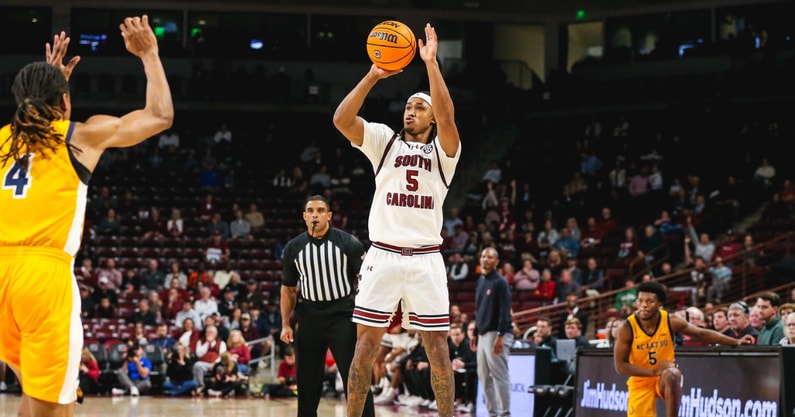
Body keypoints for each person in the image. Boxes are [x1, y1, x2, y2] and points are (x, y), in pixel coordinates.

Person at [0, 15, 172, 415]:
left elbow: (35, 122)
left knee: (31, 396)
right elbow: (159, 116)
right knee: (54, 408)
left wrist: (51, 82)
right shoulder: (80, 136)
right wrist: (149, 54)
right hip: (42, 277)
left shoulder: (3, 140)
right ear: (63, 102)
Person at [333, 23, 460, 417]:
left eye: (420, 107)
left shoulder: (445, 153)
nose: (411, 111)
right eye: (408, 106)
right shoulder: (384, 141)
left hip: (425, 258)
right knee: (365, 348)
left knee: (437, 349)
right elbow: (341, 119)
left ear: (432, 119)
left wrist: (431, 64)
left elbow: (449, 116)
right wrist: (374, 73)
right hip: (383, 255)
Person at [279, 195, 375, 417]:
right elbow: (288, 289)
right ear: (304, 216)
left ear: (329, 216)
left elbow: (366, 281)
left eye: (321, 210)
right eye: (311, 210)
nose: (315, 214)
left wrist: (366, 320)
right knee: (306, 379)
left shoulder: (348, 243)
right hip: (309, 315)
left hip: (342, 314)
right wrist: (285, 324)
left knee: (355, 374)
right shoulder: (293, 248)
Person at [613, 281, 754, 417]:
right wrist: (653, 371)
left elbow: (702, 333)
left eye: (649, 301)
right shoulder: (627, 327)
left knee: (672, 374)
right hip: (641, 381)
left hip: (663, 377)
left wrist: (736, 341)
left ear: (660, 304)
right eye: (640, 301)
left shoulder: (670, 321)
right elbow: (620, 367)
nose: (643, 305)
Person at [470, 247, 513, 417]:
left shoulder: (500, 282)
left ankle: (505, 413)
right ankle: (492, 413)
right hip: (482, 334)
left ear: (496, 262)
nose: (485, 259)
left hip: (496, 333)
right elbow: (478, 310)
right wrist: (474, 332)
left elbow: (505, 310)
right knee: (484, 376)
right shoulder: (481, 281)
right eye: (483, 256)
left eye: (490, 257)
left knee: (499, 375)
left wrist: (501, 336)